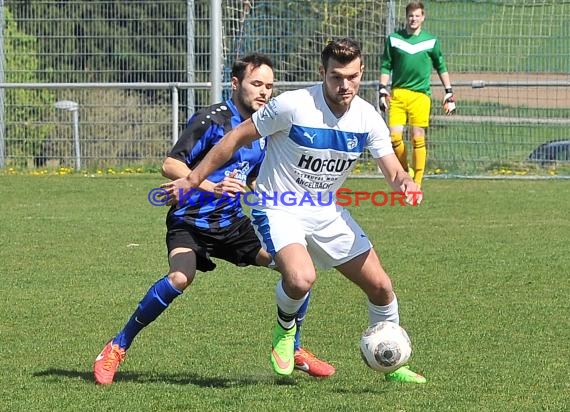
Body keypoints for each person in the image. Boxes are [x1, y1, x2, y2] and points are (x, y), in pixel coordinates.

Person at [162, 38, 427, 384]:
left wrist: (404, 182)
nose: (344, 85)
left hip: (325, 211)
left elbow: (392, 170)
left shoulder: (367, 119)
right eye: (335, 76)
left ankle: (392, 360)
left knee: (381, 287)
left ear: (362, 73)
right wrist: (194, 179)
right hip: (277, 207)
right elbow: (234, 139)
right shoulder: (293, 105)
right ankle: (285, 333)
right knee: (301, 278)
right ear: (322, 73)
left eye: (351, 76)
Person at [93, 53, 335, 385]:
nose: (264, 92)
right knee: (179, 278)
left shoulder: (262, 128)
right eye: (256, 84)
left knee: (294, 272)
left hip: (232, 226)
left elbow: (251, 178)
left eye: (269, 86)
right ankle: (116, 346)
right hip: (189, 222)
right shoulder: (212, 119)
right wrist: (211, 185)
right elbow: (171, 164)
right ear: (235, 84)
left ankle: (293, 348)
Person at [378, 0, 456, 188]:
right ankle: (406, 172)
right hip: (398, 94)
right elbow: (386, 65)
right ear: (406, 17)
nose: (413, 19)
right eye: (410, 15)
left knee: (417, 137)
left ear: (423, 17)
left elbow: (441, 66)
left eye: (417, 15)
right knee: (395, 137)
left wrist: (449, 92)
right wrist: (382, 90)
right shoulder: (394, 39)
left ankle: (418, 181)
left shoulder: (431, 41)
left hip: (420, 96)